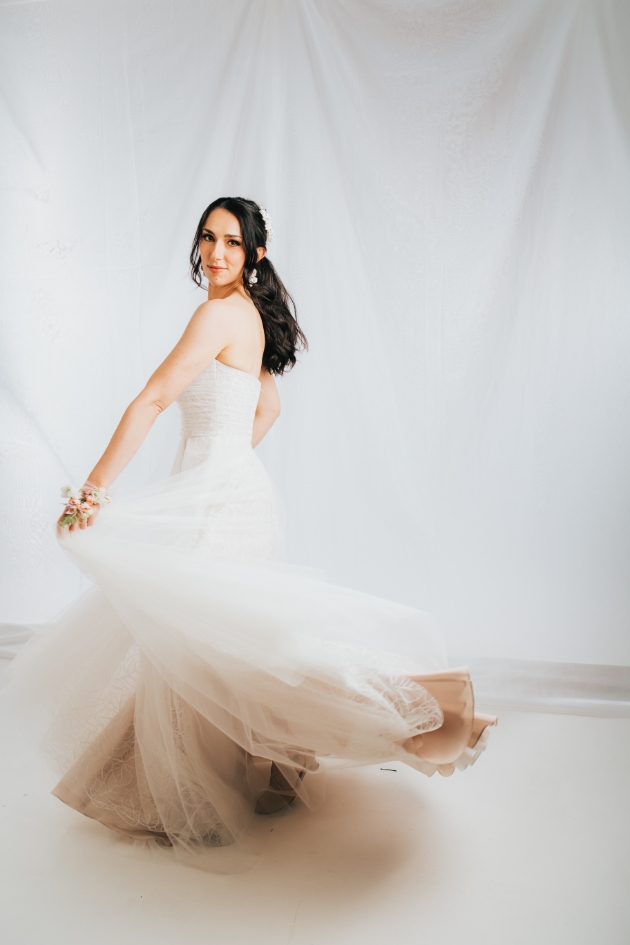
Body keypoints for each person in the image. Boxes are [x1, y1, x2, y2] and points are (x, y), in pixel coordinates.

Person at [6, 197, 495, 867]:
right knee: (227, 640)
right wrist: (230, 460)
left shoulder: (215, 314)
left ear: (255, 255)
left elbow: (153, 397)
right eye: (208, 238)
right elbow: (269, 404)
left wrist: (91, 491)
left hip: (218, 498)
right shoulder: (250, 317)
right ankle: (285, 765)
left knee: (201, 639)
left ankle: (194, 796)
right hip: (240, 494)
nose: (215, 252)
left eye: (232, 243)